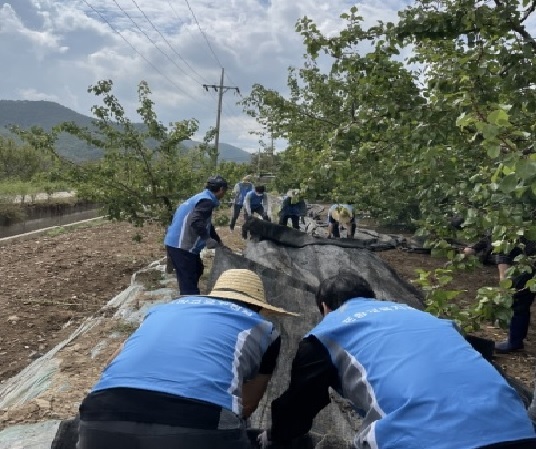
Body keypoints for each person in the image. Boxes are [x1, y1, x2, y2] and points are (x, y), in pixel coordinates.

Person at [258, 272, 536, 449]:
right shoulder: (428, 319)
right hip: (517, 431)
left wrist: (274, 437)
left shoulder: (327, 333)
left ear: (324, 307)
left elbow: (299, 406)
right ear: (372, 297)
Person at [77, 268, 297, 449]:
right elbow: (247, 404)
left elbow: (112, 363)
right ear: (258, 307)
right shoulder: (265, 329)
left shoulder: (161, 311)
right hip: (200, 421)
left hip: (101, 412)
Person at [464, 236, 536, 353]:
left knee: (518, 300)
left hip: (529, 261)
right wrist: (474, 248)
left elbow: (503, 251)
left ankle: (514, 342)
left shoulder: (508, 227)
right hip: (528, 258)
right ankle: (516, 340)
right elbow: (491, 235)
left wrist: (504, 278)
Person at [164, 175, 227, 295]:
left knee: (198, 269)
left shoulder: (201, 198)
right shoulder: (206, 201)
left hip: (176, 243)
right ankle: (189, 302)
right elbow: (196, 221)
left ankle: (188, 292)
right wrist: (207, 239)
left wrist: (218, 241)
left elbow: (207, 224)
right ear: (221, 190)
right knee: (189, 281)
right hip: (182, 246)